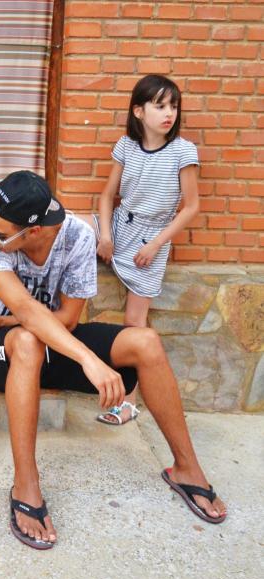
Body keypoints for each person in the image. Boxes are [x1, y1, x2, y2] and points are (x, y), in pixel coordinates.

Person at [0, 170, 226, 549]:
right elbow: (25, 310)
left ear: (34, 230)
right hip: (0, 351)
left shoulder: (77, 236)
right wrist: (88, 359)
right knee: (27, 339)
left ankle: (186, 468)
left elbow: (68, 319)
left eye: (0, 232)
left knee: (145, 342)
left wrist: (81, 352)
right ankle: (25, 483)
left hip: (52, 341)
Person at [95, 75, 199, 426]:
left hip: (153, 238)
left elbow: (191, 207)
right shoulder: (126, 146)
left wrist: (156, 244)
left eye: (173, 106)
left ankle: (128, 403)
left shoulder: (183, 151)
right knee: (69, 229)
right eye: (160, 106)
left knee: (133, 324)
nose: (169, 113)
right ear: (139, 111)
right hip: (119, 226)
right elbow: (107, 196)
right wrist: (105, 235)